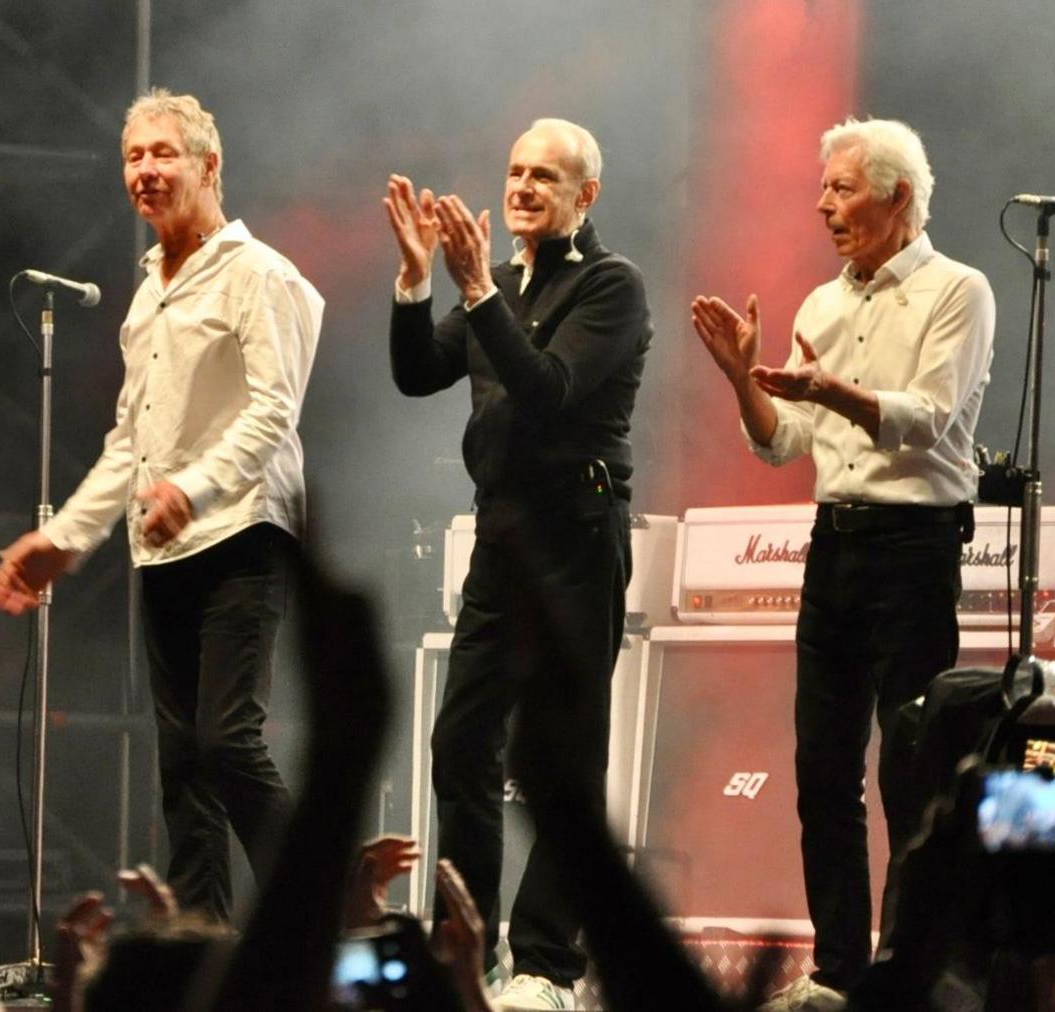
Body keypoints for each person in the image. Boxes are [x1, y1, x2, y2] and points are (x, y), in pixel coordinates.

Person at [0, 89, 323, 924]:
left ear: (210, 167)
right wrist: (66, 538)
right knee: (181, 764)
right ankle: (201, 947)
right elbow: (130, 438)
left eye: (162, 153)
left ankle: (328, 913)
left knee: (226, 742)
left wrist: (193, 487)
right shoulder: (148, 292)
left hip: (245, 531)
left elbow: (273, 409)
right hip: (164, 547)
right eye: (133, 157)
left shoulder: (258, 274)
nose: (145, 170)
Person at [692, 117, 995, 1010]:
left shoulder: (959, 290)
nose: (824, 205)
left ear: (898, 196)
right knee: (822, 771)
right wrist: (744, 378)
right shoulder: (822, 306)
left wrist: (827, 389)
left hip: (915, 546)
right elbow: (784, 443)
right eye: (823, 188)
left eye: (842, 189)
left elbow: (928, 417)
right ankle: (837, 973)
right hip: (835, 547)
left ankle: (909, 971)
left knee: (910, 770)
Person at [385, 116, 652, 1011]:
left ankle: (547, 968)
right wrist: (420, 281)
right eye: (514, 171)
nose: (524, 187)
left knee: (562, 762)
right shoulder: (497, 283)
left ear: (587, 194)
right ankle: (467, 945)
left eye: (546, 175)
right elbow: (420, 371)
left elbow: (548, 393)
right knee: (459, 739)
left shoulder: (612, 286)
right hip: (500, 538)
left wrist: (475, 290)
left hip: (577, 533)